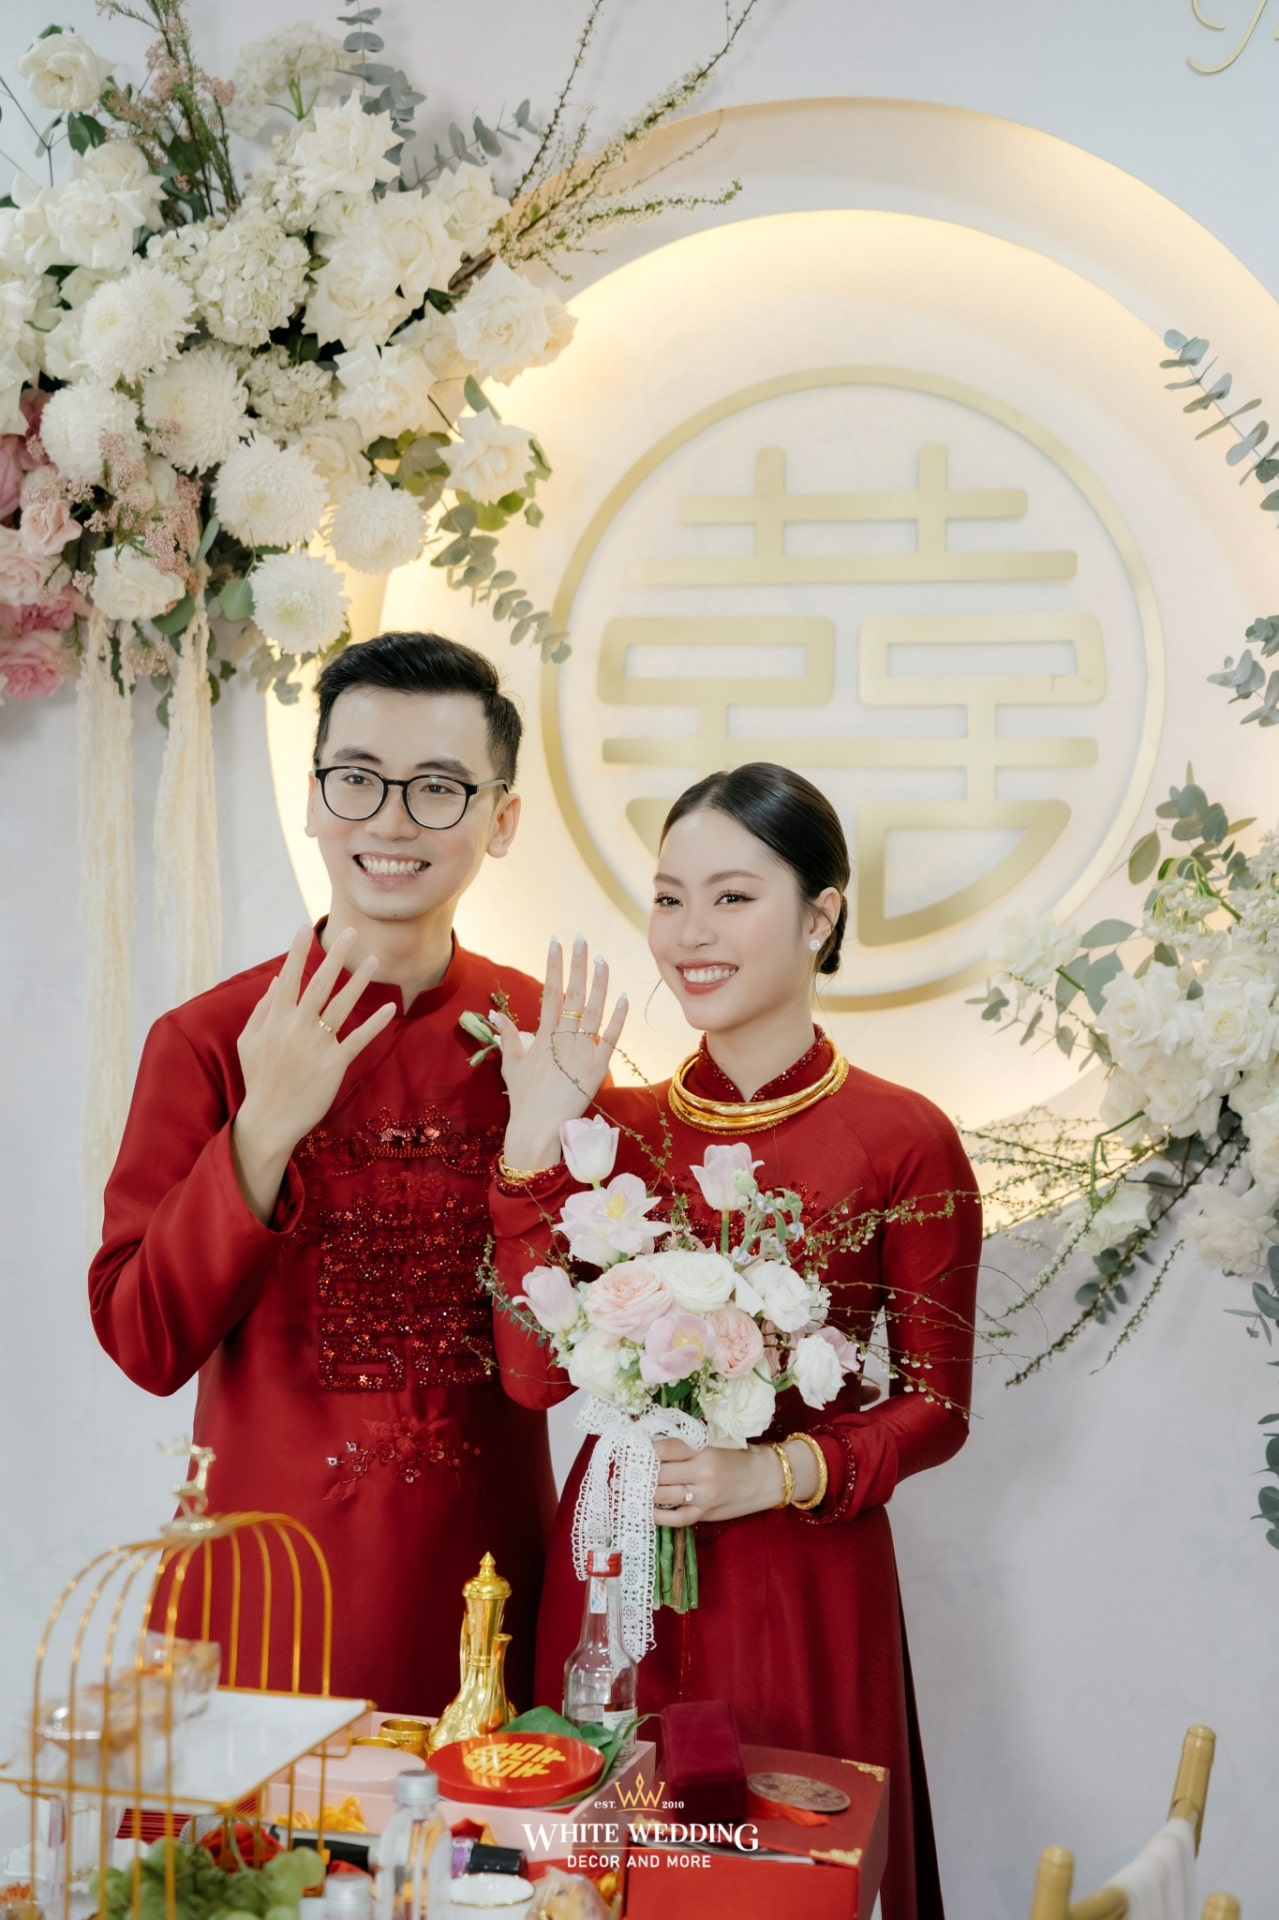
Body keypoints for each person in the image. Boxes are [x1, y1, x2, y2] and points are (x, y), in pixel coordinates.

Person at [488, 763, 982, 1920]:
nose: (689, 933)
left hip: (801, 1571)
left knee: (787, 1877)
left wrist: (774, 1472)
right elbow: (533, 1377)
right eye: (668, 898)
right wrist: (530, 1142)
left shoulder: (903, 1137)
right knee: (599, 1879)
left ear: (820, 915)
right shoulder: (612, 1133)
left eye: (731, 897)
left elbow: (939, 1407)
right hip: (615, 1560)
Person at [89, 630, 555, 1713]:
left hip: (488, 1581)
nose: (390, 821)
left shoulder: (538, 1039)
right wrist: (263, 1129)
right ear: (311, 798)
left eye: (438, 788)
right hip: (265, 1582)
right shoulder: (209, 1038)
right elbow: (143, 1340)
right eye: (357, 778)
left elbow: (563, 1360)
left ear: (501, 819)